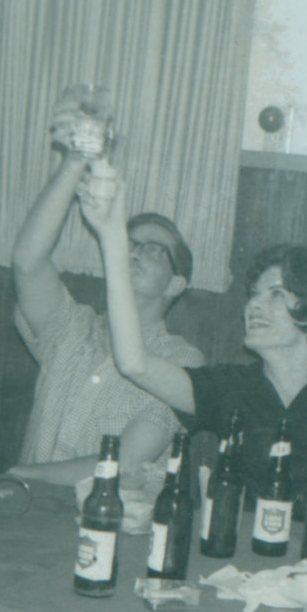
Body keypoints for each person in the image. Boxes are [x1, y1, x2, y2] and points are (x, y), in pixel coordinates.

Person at [81, 185, 307, 540]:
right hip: (241, 563)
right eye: (254, 295)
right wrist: (111, 240)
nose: (253, 306)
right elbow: (134, 363)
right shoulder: (229, 387)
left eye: (276, 294)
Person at [10, 149, 205, 487]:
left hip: (106, 522)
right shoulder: (72, 324)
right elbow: (27, 263)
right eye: (131, 242)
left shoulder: (181, 361)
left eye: (155, 249)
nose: (136, 251)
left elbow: (126, 461)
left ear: (176, 284)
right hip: (28, 515)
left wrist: (20, 475)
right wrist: (74, 161)